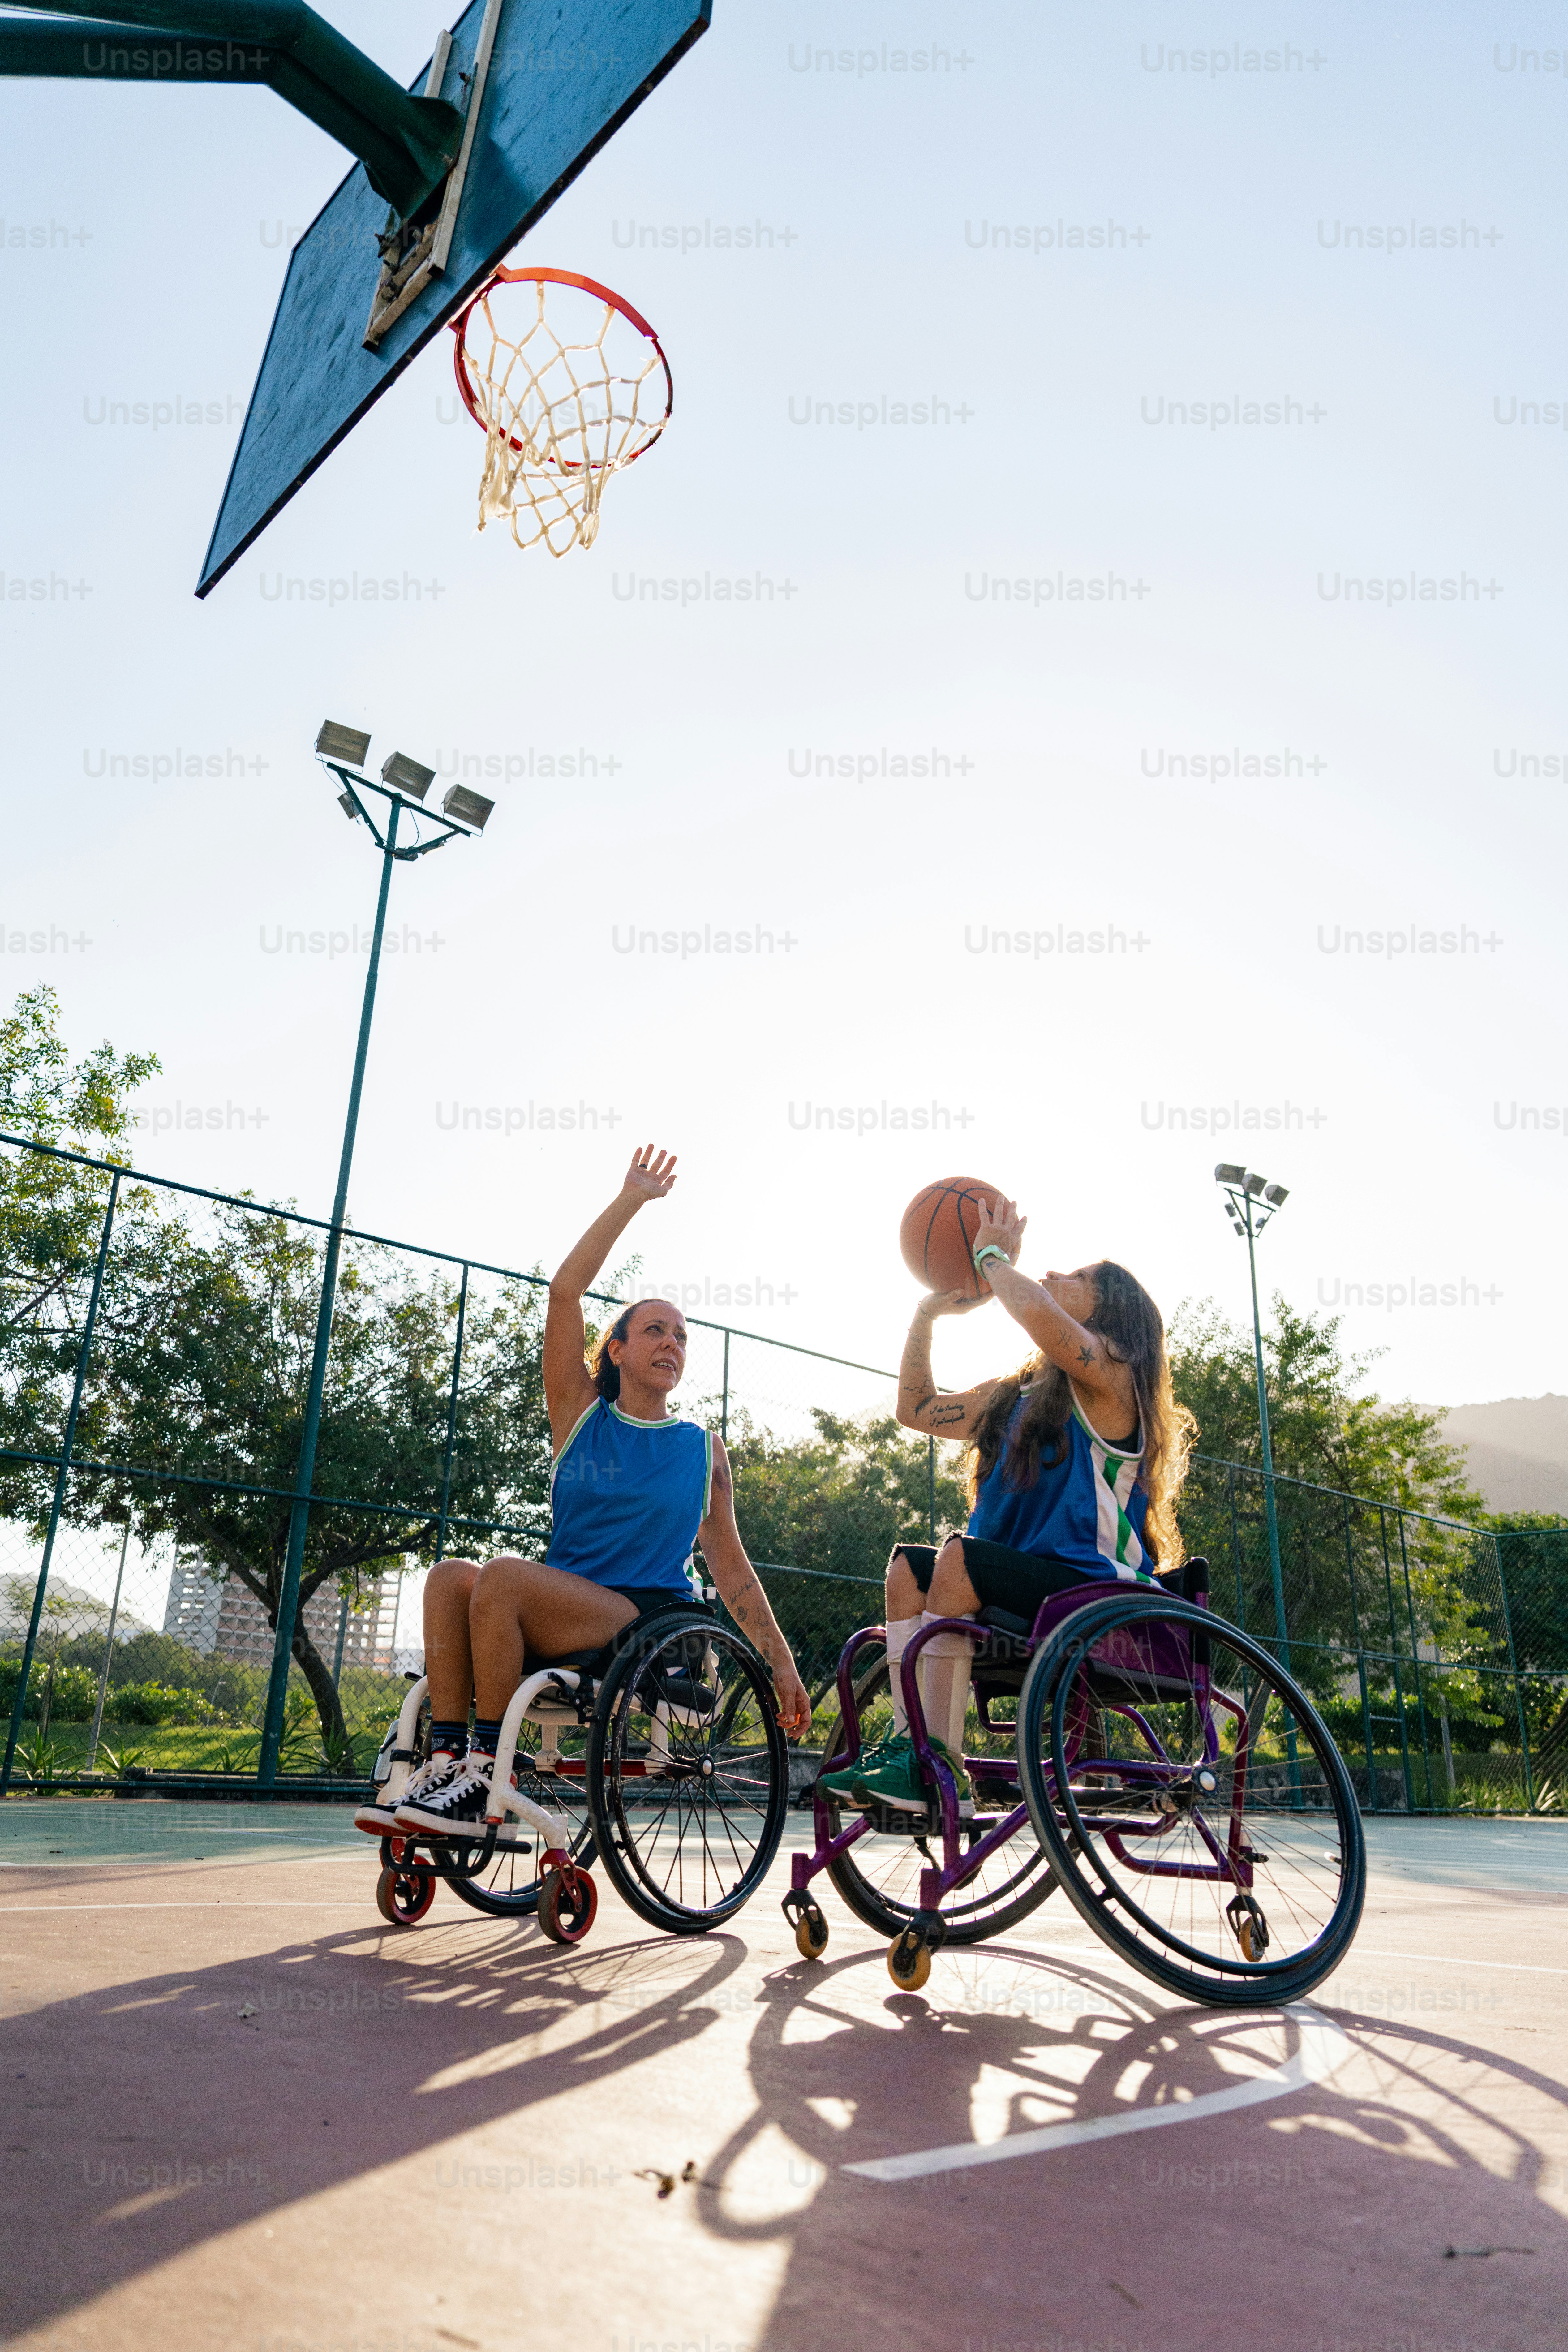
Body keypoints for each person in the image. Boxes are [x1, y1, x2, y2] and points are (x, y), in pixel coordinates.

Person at [356, 1146, 810, 1841]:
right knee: (449, 1577)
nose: (672, 1342)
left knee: (502, 1577)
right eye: (654, 1329)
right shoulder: (579, 1415)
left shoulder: (702, 1450)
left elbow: (732, 1568)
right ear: (618, 1349)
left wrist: (781, 1664)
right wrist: (631, 1198)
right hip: (564, 1605)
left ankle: (486, 1774)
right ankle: (445, 1763)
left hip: (646, 1619)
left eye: (681, 1336)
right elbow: (564, 1292)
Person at [817, 1193, 1194, 1814]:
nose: (1055, 1275)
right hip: (1025, 1589)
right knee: (908, 1569)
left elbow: (1039, 1314)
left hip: (1095, 1591)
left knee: (960, 1558)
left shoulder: (1116, 1379)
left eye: (1078, 1277)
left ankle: (939, 1766)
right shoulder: (1015, 1393)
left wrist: (992, 1258)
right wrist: (926, 1315)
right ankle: (912, 1751)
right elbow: (914, 1409)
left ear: (1112, 1310)